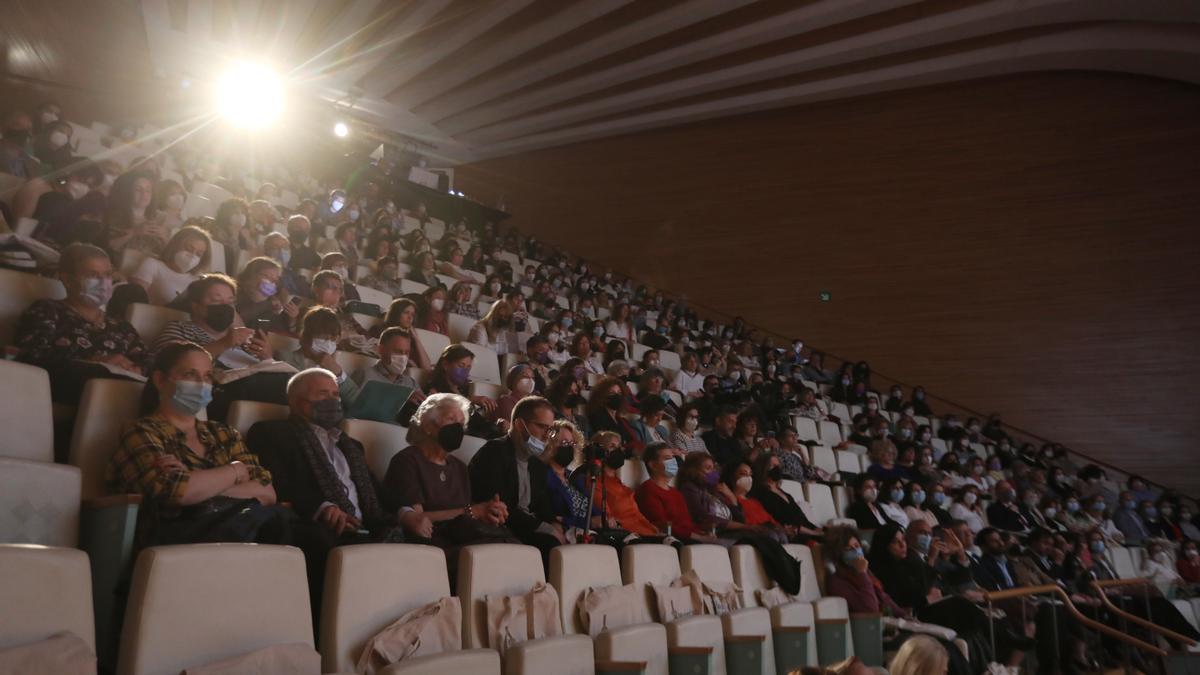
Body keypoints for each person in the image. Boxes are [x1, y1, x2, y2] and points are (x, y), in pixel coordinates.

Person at [107, 342, 281, 546]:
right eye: (190, 374)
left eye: (207, 376)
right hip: (173, 542)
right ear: (160, 380)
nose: (201, 383)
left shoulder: (224, 433)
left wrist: (197, 486)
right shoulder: (141, 431)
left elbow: (266, 490)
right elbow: (174, 492)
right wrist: (235, 471)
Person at [247, 367, 398, 542]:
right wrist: (322, 507)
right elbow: (276, 482)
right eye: (323, 394)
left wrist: (406, 511)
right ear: (296, 401)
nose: (333, 400)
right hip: (318, 527)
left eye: (335, 394)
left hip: (369, 528)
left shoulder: (351, 445)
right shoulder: (271, 433)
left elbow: (375, 488)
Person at [382, 393, 511, 558]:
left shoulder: (459, 467)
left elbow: (465, 517)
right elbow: (418, 520)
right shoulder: (407, 461)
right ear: (428, 424)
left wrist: (489, 512)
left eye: (461, 424)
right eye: (451, 419)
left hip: (460, 539)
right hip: (431, 546)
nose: (457, 428)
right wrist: (472, 512)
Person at [16, 243, 147, 404]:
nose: (103, 282)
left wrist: (135, 368)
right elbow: (31, 358)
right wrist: (93, 362)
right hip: (61, 399)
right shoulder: (47, 311)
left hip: (117, 401)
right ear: (67, 279)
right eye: (93, 275)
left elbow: (148, 362)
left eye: (107, 275)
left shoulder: (121, 326)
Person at [468, 396, 568, 563]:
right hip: (502, 529)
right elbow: (500, 507)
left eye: (550, 430)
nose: (546, 436)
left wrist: (554, 524)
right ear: (520, 425)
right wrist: (545, 528)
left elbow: (543, 506)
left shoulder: (538, 463)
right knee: (550, 547)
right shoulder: (493, 453)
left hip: (528, 529)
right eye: (542, 427)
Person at [578, 432, 659, 537]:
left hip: (646, 534)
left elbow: (638, 516)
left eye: (619, 446)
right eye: (612, 446)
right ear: (600, 452)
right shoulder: (595, 483)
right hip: (629, 537)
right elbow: (610, 520)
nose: (619, 450)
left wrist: (654, 531)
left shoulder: (621, 485)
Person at [824, 525, 909, 616]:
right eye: (848, 549)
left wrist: (904, 615)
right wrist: (862, 573)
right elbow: (870, 609)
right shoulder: (837, 582)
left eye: (857, 546)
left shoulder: (863, 572)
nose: (856, 551)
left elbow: (883, 597)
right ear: (838, 555)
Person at [279, 307, 360, 402]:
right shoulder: (285, 358)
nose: (328, 344)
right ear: (307, 336)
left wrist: (338, 373)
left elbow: (357, 402)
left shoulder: (335, 370)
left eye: (333, 339)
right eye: (324, 338)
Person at [636, 443, 711, 541]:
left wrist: (701, 533)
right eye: (667, 458)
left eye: (673, 457)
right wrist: (698, 537)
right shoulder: (647, 490)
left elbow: (687, 524)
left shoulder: (676, 493)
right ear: (653, 465)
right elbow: (661, 525)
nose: (673, 461)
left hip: (687, 539)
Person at [677, 451, 760, 539]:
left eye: (714, 468)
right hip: (714, 533)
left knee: (767, 534)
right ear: (694, 470)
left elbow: (741, 520)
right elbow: (703, 517)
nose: (713, 472)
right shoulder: (689, 488)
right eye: (708, 468)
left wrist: (732, 497)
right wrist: (743, 527)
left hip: (731, 532)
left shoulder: (716, 491)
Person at [749, 453, 824, 542]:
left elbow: (802, 518)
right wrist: (814, 533)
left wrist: (817, 530)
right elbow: (786, 523)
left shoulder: (784, 493)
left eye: (778, 465)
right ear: (763, 469)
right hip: (795, 535)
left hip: (807, 532)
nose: (777, 468)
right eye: (772, 466)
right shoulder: (761, 493)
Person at [131, 225, 212, 306]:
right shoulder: (152, 265)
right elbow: (135, 302)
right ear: (176, 245)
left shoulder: (198, 281)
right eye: (189, 249)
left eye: (199, 254)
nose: (192, 256)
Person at [425, 343, 498, 416]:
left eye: (468, 367)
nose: (465, 370)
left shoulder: (466, 389)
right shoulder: (434, 389)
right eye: (461, 365)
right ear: (445, 365)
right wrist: (470, 400)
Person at [235, 256, 300, 332]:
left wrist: (291, 319)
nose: (272, 281)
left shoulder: (272, 300)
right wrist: (265, 304)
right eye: (266, 276)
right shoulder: (235, 294)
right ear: (251, 275)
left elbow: (282, 331)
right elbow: (239, 321)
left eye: (275, 279)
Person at [376, 298, 433, 368]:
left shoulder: (410, 337)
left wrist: (416, 339)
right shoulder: (380, 331)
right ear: (396, 313)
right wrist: (407, 362)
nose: (410, 317)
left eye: (412, 314)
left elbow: (427, 367)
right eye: (406, 312)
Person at [585, 376, 637, 449]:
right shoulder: (597, 416)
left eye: (619, 393)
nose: (616, 396)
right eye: (612, 393)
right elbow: (605, 440)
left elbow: (629, 440)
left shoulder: (620, 419)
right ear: (602, 396)